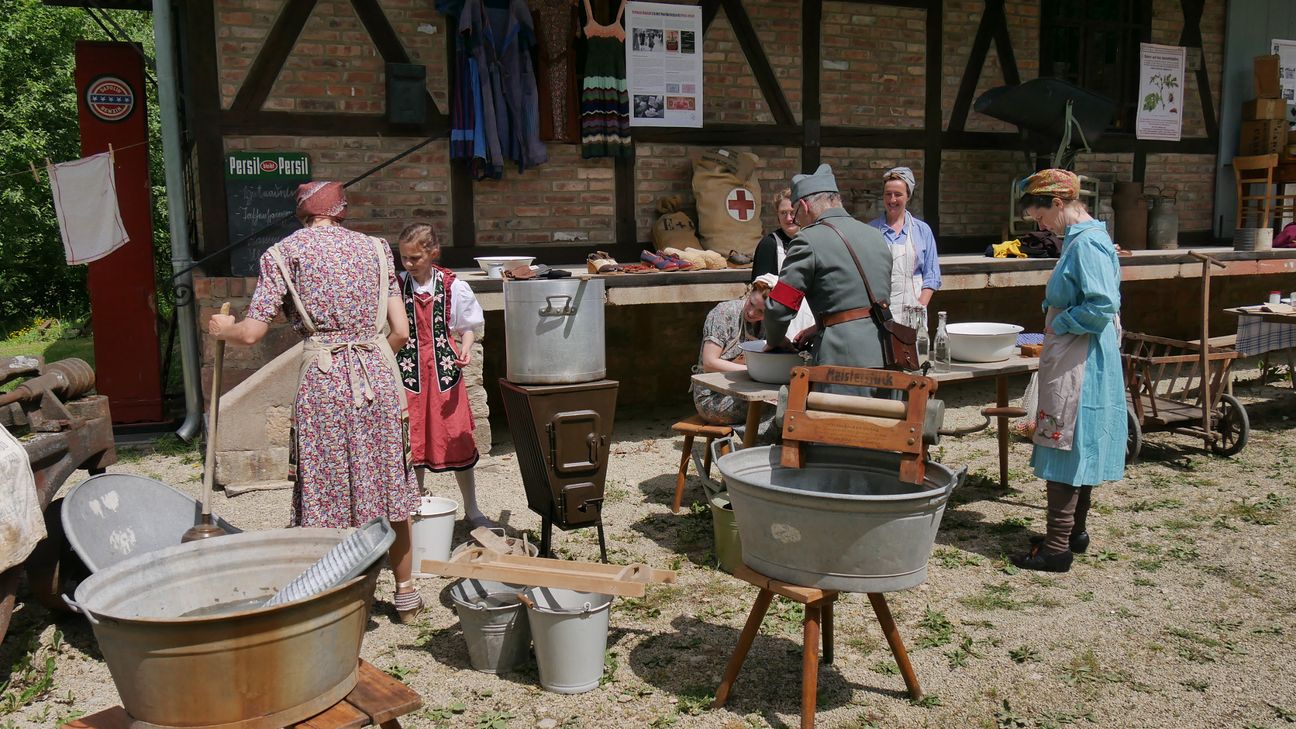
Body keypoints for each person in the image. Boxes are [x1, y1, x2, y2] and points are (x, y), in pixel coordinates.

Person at [207, 181, 425, 622]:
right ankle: (406, 596)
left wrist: (220, 329)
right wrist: (369, 359)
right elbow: (399, 331)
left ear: (302, 212)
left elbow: (250, 333)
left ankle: (338, 601)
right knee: (389, 485)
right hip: (378, 379)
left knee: (326, 492)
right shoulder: (378, 250)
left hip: (323, 383)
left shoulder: (283, 255)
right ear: (342, 210)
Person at [1013, 168, 1126, 573]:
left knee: (1064, 441)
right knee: (1080, 442)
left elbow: (1100, 305)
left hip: (1081, 359)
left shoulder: (1087, 244)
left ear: (1058, 204)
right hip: (1084, 355)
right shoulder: (1083, 240)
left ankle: (1057, 549)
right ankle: (1071, 533)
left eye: (1040, 216)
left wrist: (1058, 322)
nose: (1040, 224)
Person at [764, 164, 892, 394]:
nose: (796, 219)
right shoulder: (875, 236)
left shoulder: (807, 240)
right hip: (887, 351)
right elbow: (864, 302)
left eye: (796, 212)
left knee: (838, 428)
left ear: (803, 205)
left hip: (841, 361)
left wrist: (774, 339)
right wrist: (821, 325)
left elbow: (779, 306)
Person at [395, 223, 491, 528]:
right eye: (404, 258)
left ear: (432, 253)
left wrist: (465, 349)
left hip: (444, 372)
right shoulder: (397, 285)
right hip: (408, 372)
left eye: (414, 258)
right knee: (414, 439)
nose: (408, 264)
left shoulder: (453, 286)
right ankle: (418, 505)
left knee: (457, 436)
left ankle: (472, 509)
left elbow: (467, 328)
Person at [691, 275, 776, 425]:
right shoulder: (724, 313)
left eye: (761, 312)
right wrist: (753, 370)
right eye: (751, 304)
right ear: (750, 293)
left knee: (786, 402)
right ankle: (755, 446)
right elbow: (710, 363)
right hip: (713, 397)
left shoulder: (769, 325)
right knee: (773, 409)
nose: (751, 313)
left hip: (748, 390)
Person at [866, 166, 942, 329]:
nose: (892, 200)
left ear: (908, 196)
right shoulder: (870, 231)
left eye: (898, 194)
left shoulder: (922, 230)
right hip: (880, 312)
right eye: (888, 194)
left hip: (914, 310)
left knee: (911, 352)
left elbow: (932, 274)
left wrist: (920, 304)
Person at [750, 188, 799, 281]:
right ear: (777, 215)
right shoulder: (769, 244)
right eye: (783, 213)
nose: (788, 218)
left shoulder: (812, 240)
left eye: (792, 212)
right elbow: (760, 287)